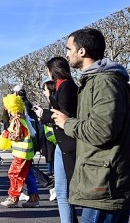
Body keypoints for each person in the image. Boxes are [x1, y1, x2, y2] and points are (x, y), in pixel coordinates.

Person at [52, 28, 130, 222]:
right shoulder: (96, 81)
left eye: (69, 48)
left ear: (82, 51)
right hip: (104, 175)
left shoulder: (104, 82)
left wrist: (67, 123)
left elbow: (102, 131)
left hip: (105, 181)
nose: (66, 53)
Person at [34, 57, 79, 223]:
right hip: (63, 143)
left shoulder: (66, 86)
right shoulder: (64, 86)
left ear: (53, 70)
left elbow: (63, 115)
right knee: (62, 191)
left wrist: (43, 114)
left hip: (67, 143)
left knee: (64, 191)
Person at [0, 94, 39, 208]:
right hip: (26, 152)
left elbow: (17, 135)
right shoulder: (22, 118)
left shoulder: (16, 119)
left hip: (21, 153)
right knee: (27, 175)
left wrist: (6, 134)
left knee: (14, 174)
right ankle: (33, 198)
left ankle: (13, 198)